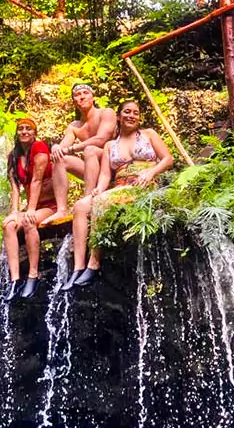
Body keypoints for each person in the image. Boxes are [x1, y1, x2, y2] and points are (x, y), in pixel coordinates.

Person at [62, 100, 174, 290]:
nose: (132, 116)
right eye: (127, 112)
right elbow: (106, 173)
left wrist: (150, 172)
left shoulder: (149, 135)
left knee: (102, 202)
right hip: (120, 187)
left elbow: (168, 159)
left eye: (136, 113)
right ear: (119, 117)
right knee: (81, 206)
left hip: (143, 185)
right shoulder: (109, 146)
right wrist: (98, 188)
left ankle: (94, 262)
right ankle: (78, 268)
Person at [2, 116, 67, 301]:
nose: (24, 131)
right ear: (16, 132)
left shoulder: (39, 148)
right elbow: (15, 187)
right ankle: (14, 280)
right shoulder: (13, 156)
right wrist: (15, 211)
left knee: (30, 223)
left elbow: (37, 179)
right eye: (21, 128)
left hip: (49, 205)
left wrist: (29, 210)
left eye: (28, 129)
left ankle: (32, 275)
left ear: (34, 133)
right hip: (34, 205)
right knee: (8, 225)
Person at [48, 83, 117, 215]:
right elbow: (63, 147)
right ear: (74, 101)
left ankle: (87, 199)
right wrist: (56, 147)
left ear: (93, 97)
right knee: (60, 159)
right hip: (93, 169)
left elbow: (102, 138)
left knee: (90, 149)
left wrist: (73, 148)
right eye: (77, 95)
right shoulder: (74, 126)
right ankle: (61, 209)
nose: (82, 97)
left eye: (86, 93)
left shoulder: (106, 113)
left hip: (112, 164)